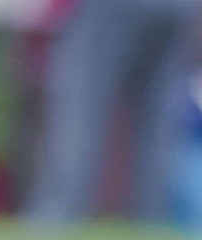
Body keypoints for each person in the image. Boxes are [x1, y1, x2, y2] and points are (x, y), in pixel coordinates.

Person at [24, 0, 202, 224]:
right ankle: (151, 220)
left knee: (82, 101)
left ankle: (58, 213)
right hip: (176, 7)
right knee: (157, 120)